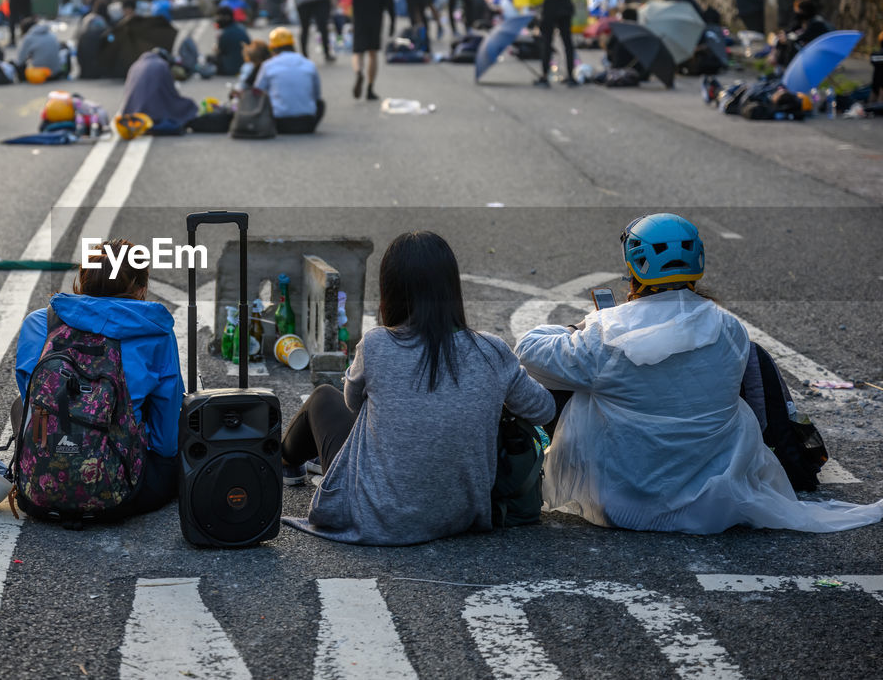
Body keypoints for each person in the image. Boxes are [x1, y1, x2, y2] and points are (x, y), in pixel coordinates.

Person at [514, 213, 883, 534]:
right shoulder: (729, 328)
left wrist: (578, 327)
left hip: (620, 502)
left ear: (634, 267)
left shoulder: (606, 333)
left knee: (572, 380)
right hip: (716, 502)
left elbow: (529, 351)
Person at [282, 231, 554, 545]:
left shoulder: (377, 344)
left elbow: (353, 404)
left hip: (380, 518)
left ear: (391, 293)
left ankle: (286, 461)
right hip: (462, 517)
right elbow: (543, 409)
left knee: (323, 399)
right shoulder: (492, 350)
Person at [14, 238, 183, 521]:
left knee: (18, 405)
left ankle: (46, 470)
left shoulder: (39, 323)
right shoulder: (156, 335)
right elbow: (165, 440)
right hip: (122, 495)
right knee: (180, 444)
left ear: (81, 282)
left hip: (38, 493)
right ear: (141, 288)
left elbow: (32, 402)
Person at [255, 27, 323, 134]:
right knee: (321, 103)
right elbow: (317, 96)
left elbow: (257, 92)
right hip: (307, 122)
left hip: (279, 123)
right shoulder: (309, 64)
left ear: (273, 49)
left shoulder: (268, 65)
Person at [118, 49, 198, 127]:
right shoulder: (162, 64)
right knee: (189, 105)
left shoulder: (135, 65)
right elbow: (170, 94)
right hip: (152, 113)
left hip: (131, 112)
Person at [769, 0, 833, 69]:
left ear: (804, 11)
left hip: (819, 52)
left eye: (798, 11)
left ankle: (785, 69)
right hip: (809, 48)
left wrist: (787, 38)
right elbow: (791, 30)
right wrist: (784, 35)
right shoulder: (804, 21)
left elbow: (803, 37)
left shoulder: (816, 23)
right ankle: (779, 70)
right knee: (784, 41)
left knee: (791, 45)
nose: (796, 13)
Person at [208, 5, 250, 76]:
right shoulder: (241, 28)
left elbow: (219, 51)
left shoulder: (225, 34)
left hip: (230, 69)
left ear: (226, 18)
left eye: (219, 17)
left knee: (209, 58)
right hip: (246, 67)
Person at [74, 0, 111, 80]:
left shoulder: (87, 17)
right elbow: (109, 37)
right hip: (97, 46)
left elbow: (78, 33)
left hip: (83, 43)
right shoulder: (103, 20)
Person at [870, 30, 883, 105]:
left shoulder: (875, 54)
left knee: (871, 104)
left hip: (875, 83)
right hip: (880, 85)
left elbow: (873, 62)